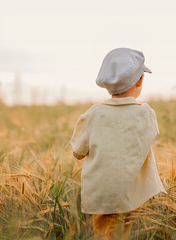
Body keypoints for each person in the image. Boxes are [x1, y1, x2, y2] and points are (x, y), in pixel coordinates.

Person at [70, 48, 167, 239]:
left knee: (106, 236)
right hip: (135, 193)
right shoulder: (146, 114)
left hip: (103, 195)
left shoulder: (93, 115)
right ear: (140, 80)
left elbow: (78, 151)